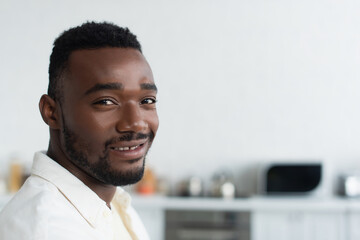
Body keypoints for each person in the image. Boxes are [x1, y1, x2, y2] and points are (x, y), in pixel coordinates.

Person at [0, 21, 159, 240]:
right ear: (52, 112)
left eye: (147, 100)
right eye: (106, 102)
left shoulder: (113, 204)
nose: (136, 123)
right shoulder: (44, 230)